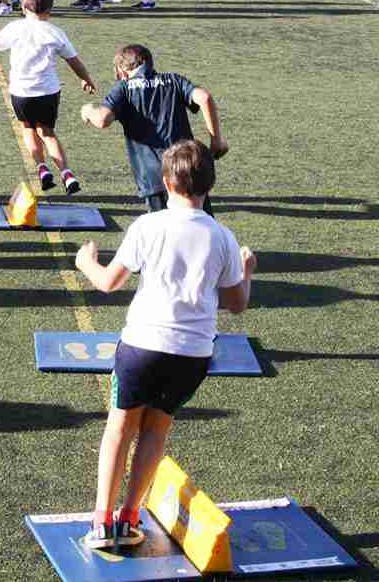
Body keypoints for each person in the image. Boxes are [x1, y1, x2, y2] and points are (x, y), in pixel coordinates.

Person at [73, 139, 256, 550]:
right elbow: (237, 303)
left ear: (167, 182)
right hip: (192, 356)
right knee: (156, 429)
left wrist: (86, 262)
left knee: (120, 427)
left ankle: (102, 521)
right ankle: (129, 517)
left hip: (142, 346)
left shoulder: (148, 225)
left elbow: (108, 283)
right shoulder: (222, 236)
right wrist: (247, 270)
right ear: (209, 185)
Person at [0, 0, 97, 195]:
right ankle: (67, 173)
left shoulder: (15, 27)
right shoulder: (56, 32)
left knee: (28, 129)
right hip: (48, 92)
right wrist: (85, 79)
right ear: (49, 11)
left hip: (21, 92)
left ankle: (42, 168)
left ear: (25, 8)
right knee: (48, 133)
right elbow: (74, 61)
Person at [80, 44, 226, 214]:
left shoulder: (125, 88)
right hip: (188, 168)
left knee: (164, 232)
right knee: (202, 227)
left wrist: (88, 110)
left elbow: (102, 119)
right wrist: (216, 140)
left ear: (122, 71)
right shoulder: (174, 80)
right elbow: (204, 97)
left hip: (155, 177)